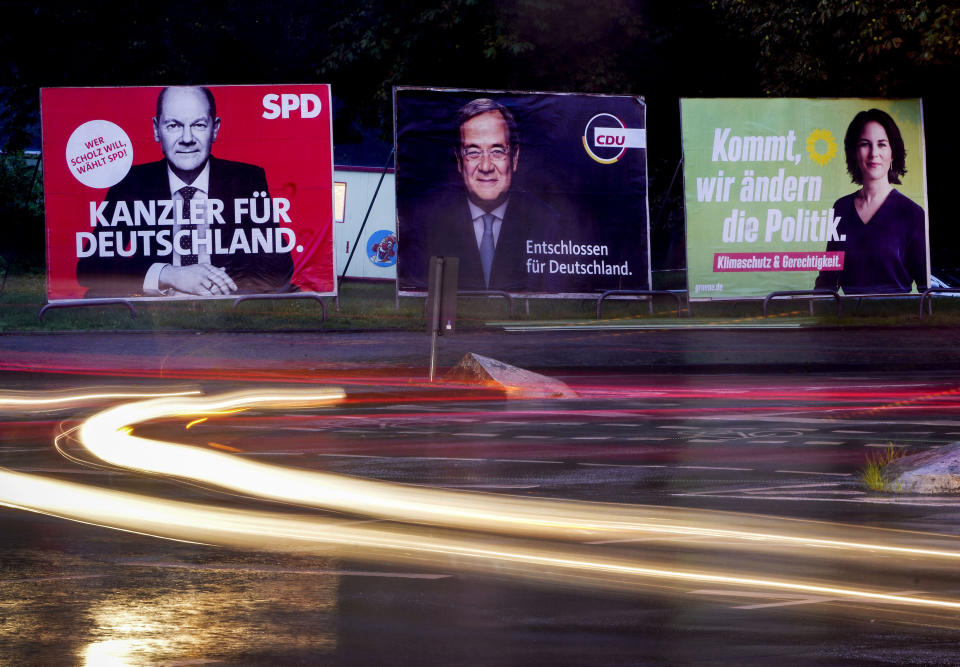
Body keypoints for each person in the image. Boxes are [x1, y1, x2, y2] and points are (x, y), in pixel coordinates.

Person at [77, 86, 293, 298]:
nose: (187, 138)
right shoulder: (131, 183)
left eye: (199, 125)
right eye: (174, 125)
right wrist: (168, 274)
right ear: (156, 129)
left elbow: (279, 268)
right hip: (156, 308)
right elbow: (89, 269)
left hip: (223, 305)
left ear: (215, 129)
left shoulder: (245, 180)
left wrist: (220, 288)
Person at [411, 98, 565, 292]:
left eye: (497, 151)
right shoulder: (427, 220)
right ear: (459, 161)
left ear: (514, 158)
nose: (485, 167)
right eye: (473, 152)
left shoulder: (547, 222)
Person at [814, 108, 927, 294]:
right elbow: (827, 278)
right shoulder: (841, 209)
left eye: (882, 144)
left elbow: (925, 287)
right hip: (847, 320)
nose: (874, 153)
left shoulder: (912, 213)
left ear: (893, 153)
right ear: (854, 153)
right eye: (865, 144)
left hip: (898, 320)